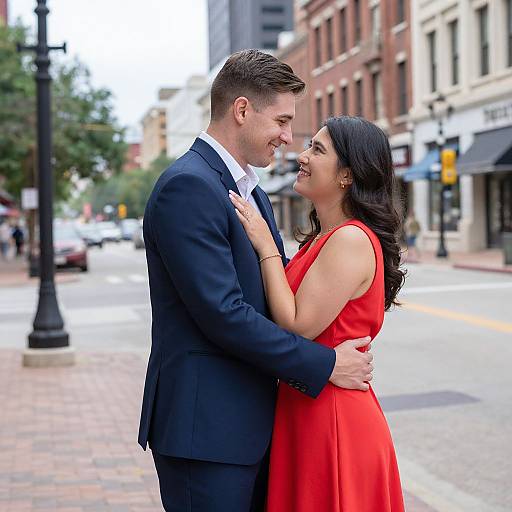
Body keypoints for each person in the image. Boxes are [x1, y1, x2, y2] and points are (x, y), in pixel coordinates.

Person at [138, 50, 373, 512]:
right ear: (242, 110)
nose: (289, 138)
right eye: (282, 121)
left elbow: (273, 295)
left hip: (254, 426)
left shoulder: (252, 193)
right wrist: (325, 365)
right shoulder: (188, 186)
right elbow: (224, 314)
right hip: (206, 432)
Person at [229, 115, 406, 511]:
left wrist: (265, 245)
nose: (302, 156)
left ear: (347, 175)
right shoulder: (323, 239)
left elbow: (296, 325)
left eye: (317, 150)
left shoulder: (350, 239)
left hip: (333, 418)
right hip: (308, 406)